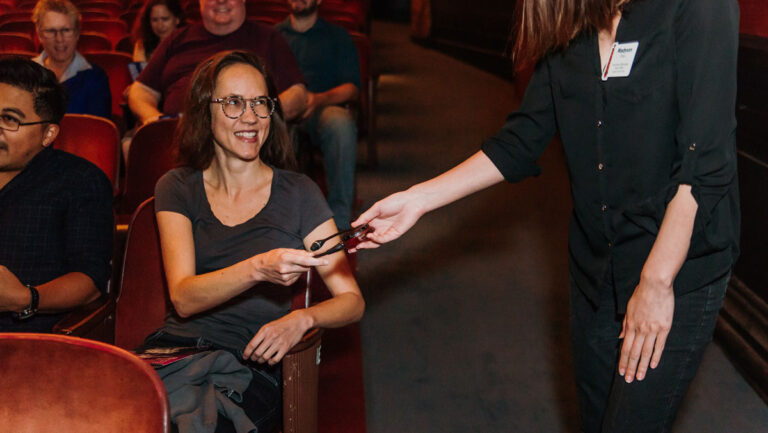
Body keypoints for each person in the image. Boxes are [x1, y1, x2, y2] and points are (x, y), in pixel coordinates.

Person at [353, 0, 740, 432]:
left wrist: (656, 281)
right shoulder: (571, 17)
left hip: (676, 266)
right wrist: (419, 199)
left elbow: (704, 163)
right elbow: (522, 138)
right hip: (596, 265)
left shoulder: (698, 7)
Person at [143, 50, 364, 432]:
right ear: (203, 109)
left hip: (250, 366)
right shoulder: (177, 188)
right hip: (173, 352)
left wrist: (303, 318)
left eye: (260, 103)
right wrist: (258, 267)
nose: (250, 117)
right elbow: (184, 297)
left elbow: (352, 301)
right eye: (233, 103)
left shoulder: (298, 192)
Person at [0, 56, 113, 333]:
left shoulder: (80, 182)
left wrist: (24, 298)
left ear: (48, 133)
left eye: (9, 119)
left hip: (32, 343)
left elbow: (90, 284)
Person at [128, 0, 307, 125]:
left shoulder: (269, 38)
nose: (221, 1)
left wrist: (257, 116)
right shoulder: (176, 39)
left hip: (246, 138)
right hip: (176, 137)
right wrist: (155, 119)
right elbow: (141, 91)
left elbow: (297, 94)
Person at [277, 0, 360, 229]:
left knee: (340, 124)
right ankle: (280, 219)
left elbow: (351, 89)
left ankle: (340, 221)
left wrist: (318, 99)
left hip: (323, 108)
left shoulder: (337, 36)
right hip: (283, 111)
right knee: (269, 126)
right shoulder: (274, 37)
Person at [31, 0, 111, 119]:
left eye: (66, 30)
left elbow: (97, 131)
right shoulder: (24, 75)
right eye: (51, 31)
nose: (59, 39)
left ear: (77, 33)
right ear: (39, 34)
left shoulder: (96, 78)